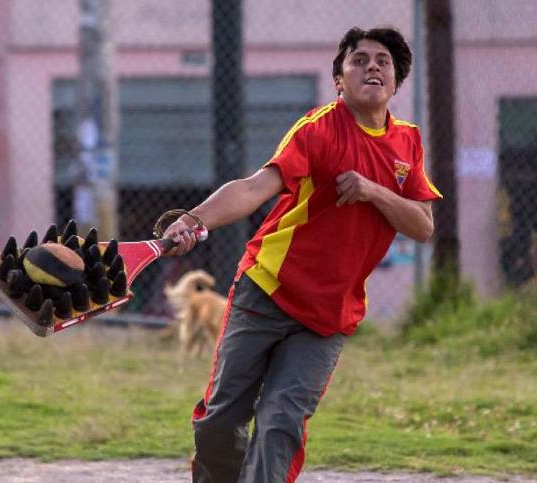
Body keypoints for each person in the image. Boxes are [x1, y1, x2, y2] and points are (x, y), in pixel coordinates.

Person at [163, 26, 443, 482]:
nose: (372, 66)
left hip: (329, 315)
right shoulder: (319, 130)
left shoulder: (407, 143)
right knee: (220, 420)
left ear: (395, 83)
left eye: (383, 62)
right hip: (268, 290)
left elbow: (423, 225)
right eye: (359, 59)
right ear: (339, 80)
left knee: (280, 422)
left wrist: (373, 190)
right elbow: (255, 187)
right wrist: (195, 220)